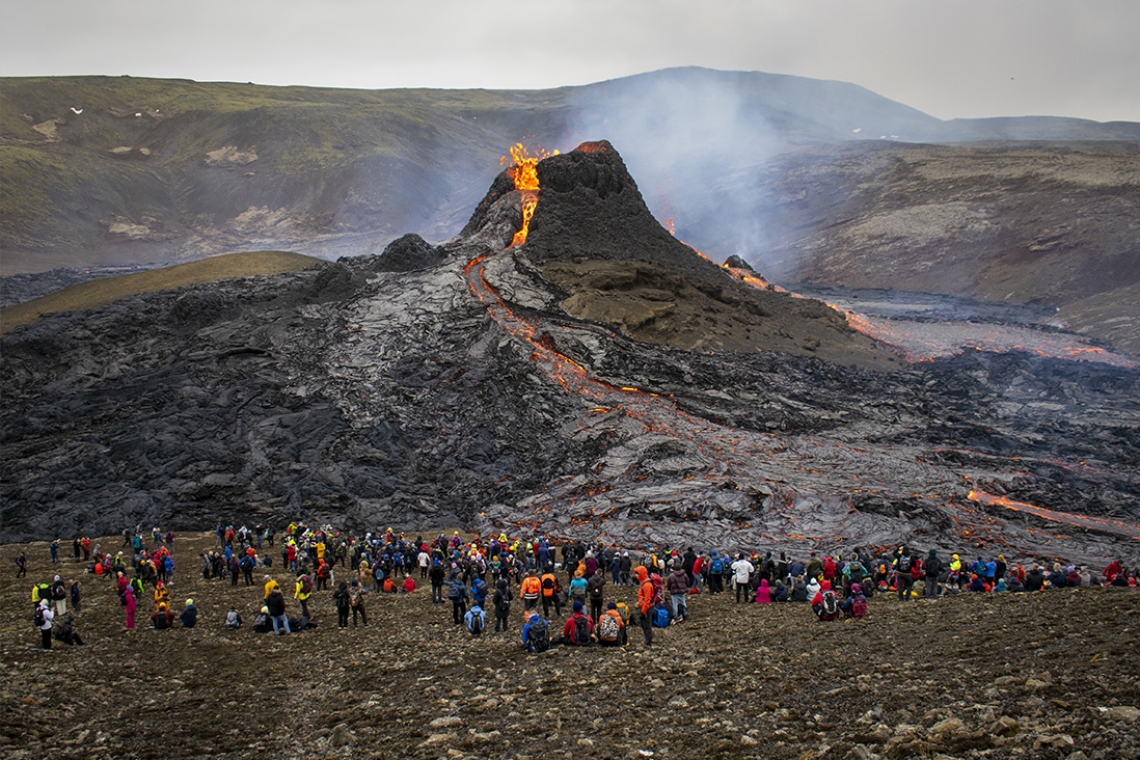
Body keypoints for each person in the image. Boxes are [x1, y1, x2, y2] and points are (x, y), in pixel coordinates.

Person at [635, 566, 655, 647]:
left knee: (647, 625)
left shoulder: (646, 585)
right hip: (645, 607)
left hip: (647, 608)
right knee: (644, 625)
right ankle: (647, 640)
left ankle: (648, 641)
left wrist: (643, 611)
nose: (636, 575)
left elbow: (647, 600)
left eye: (637, 573)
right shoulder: (644, 582)